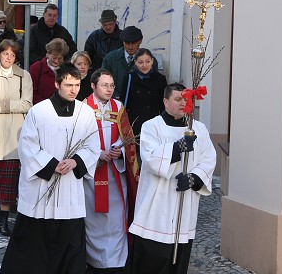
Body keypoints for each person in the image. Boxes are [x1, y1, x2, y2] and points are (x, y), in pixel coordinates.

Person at [0, 63, 101, 274]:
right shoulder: (39, 111)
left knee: (70, 244)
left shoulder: (86, 113)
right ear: (57, 84)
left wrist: (76, 161)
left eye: (77, 84)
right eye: (68, 85)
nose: (74, 90)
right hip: (41, 189)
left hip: (69, 190)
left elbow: (93, 145)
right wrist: (52, 165)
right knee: (33, 246)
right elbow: (27, 147)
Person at [126, 83, 216, 274]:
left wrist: (194, 178)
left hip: (185, 206)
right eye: (177, 99)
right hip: (156, 205)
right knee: (150, 262)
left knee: (178, 262)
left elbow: (209, 158)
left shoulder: (198, 129)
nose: (183, 103)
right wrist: (177, 148)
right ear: (165, 101)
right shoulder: (151, 126)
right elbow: (150, 159)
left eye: (186, 99)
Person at [83, 69, 138, 273]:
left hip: (115, 174)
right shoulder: (83, 108)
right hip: (92, 175)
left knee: (116, 217)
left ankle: (116, 261)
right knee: (95, 217)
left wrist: (119, 149)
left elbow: (128, 139)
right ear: (93, 86)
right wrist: (98, 153)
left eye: (112, 85)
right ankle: (94, 260)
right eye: (104, 85)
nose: (109, 89)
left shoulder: (119, 107)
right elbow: (77, 142)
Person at [0, 39, 33, 236]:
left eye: (12, 55)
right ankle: (0, 205)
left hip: (15, 134)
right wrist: (12, 105)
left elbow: (27, 104)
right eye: (5, 54)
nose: (8, 58)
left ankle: (3, 219)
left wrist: (0, 105)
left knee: (10, 179)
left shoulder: (23, 76)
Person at [120, 48, 167, 137]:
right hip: (135, 124)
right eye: (140, 62)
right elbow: (124, 103)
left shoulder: (160, 79)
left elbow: (163, 104)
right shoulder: (129, 78)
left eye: (147, 61)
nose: (144, 65)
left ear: (152, 61)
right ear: (135, 62)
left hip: (154, 123)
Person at [102, 25, 157, 99]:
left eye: (134, 43)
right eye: (127, 43)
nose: (130, 47)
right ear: (123, 42)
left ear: (140, 41)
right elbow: (103, 81)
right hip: (114, 102)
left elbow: (154, 85)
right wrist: (115, 96)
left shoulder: (150, 61)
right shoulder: (110, 58)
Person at [30, 38, 68, 104]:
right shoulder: (36, 68)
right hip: (40, 107)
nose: (56, 61)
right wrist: (46, 105)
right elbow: (32, 91)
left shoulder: (66, 70)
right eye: (54, 57)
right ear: (47, 54)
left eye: (60, 58)